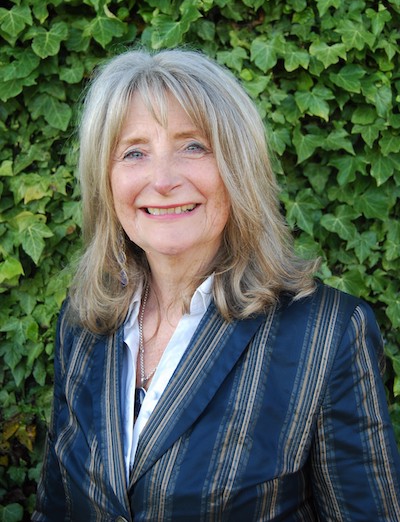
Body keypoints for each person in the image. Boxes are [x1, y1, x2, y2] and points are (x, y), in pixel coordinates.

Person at [33, 48, 400, 522]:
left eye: (193, 146)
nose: (162, 180)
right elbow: (55, 508)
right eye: (134, 152)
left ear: (238, 169)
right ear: (106, 181)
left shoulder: (326, 334)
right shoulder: (84, 323)